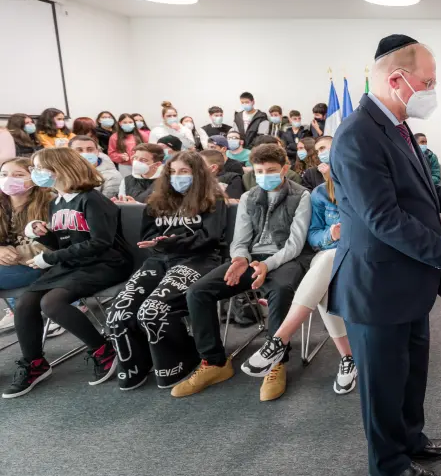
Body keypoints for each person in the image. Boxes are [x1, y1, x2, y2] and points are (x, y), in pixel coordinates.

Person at [329, 34, 441, 476]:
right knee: (383, 385)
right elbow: (385, 219)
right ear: (398, 79)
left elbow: (417, 195)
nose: (432, 91)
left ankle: (410, 439)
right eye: (429, 82)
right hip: (376, 286)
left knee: (409, 374)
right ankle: (388, 464)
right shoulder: (358, 134)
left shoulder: (398, 126)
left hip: (407, 281)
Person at [173, 143, 312, 401]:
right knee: (198, 292)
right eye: (259, 170)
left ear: (285, 168)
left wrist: (267, 265)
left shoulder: (302, 195)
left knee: (281, 290)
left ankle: (276, 361)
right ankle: (214, 363)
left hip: (286, 259)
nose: (264, 175)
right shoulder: (249, 197)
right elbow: (240, 239)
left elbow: (295, 244)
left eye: (271, 169)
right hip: (250, 259)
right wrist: (239, 260)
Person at [2, 147, 132, 398]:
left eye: (40, 168)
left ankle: (102, 349)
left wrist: (49, 258)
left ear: (60, 169)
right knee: (26, 303)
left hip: (106, 263)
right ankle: (34, 363)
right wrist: (46, 235)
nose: (36, 174)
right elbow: (65, 245)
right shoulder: (56, 202)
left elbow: (100, 242)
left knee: (52, 303)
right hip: (75, 263)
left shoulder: (91, 199)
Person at [241, 135, 358, 394]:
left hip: (360, 257)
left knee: (325, 267)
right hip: (328, 255)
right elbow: (313, 236)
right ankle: (348, 359)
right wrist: (331, 234)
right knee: (325, 274)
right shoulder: (320, 193)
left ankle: (279, 339)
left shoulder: (367, 190)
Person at [105, 150, 227, 390]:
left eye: (184, 172)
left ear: (197, 174)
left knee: (152, 311)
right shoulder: (156, 199)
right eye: (172, 172)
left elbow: (208, 238)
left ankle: (181, 358)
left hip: (198, 260)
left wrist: (170, 240)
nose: (177, 177)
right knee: (118, 312)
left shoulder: (213, 198)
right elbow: (148, 236)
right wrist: (161, 243)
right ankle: (138, 363)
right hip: (158, 260)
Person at [0, 158, 52, 332]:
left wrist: (14, 252)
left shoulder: (48, 203)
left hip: (41, 265)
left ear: (34, 178)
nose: (9, 179)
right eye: (4, 174)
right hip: (9, 266)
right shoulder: (2, 204)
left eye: (18, 174)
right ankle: (19, 310)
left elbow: (51, 245)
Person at [69, 135, 121, 199]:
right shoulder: (63, 174)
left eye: (90, 149)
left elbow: (105, 203)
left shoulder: (112, 176)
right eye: (79, 150)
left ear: (97, 152)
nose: (85, 153)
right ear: (70, 153)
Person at [107, 113, 148, 177]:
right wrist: (120, 156)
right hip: (125, 166)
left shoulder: (142, 135)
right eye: (125, 122)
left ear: (134, 123)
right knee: (127, 184)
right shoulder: (114, 137)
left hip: (141, 164)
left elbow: (149, 149)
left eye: (130, 122)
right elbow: (111, 153)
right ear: (120, 123)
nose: (128, 124)